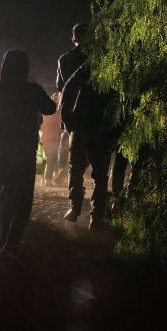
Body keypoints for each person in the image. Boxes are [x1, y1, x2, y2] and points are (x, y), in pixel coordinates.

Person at [0, 50, 57, 253]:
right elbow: (50, 108)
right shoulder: (32, 91)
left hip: (1, 154)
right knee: (23, 200)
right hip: (25, 153)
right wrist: (36, 90)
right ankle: (10, 244)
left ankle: (5, 240)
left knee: (10, 196)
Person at [60, 61, 115, 230]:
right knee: (100, 176)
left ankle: (74, 208)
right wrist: (115, 134)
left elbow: (68, 89)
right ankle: (96, 218)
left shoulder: (88, 66)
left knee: (76, 169)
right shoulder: (117, 67)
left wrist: (68, 120)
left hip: (81, 126)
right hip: (102, 130)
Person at [54, 23, 89, 186]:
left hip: (70, 108)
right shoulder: (96, 58)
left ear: (73, 38)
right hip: (91, 108)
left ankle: (75, 188)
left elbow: (60, 85)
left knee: (71, 144)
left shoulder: (64, 59)